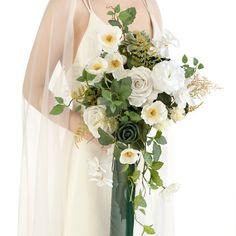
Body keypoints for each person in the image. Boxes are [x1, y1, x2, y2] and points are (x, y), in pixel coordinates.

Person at [19, 0, 175, 235]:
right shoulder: (69, 5)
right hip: (93, 164)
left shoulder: (149, 4)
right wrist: (91, 130)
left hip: (142, 166)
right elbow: (34, 87)